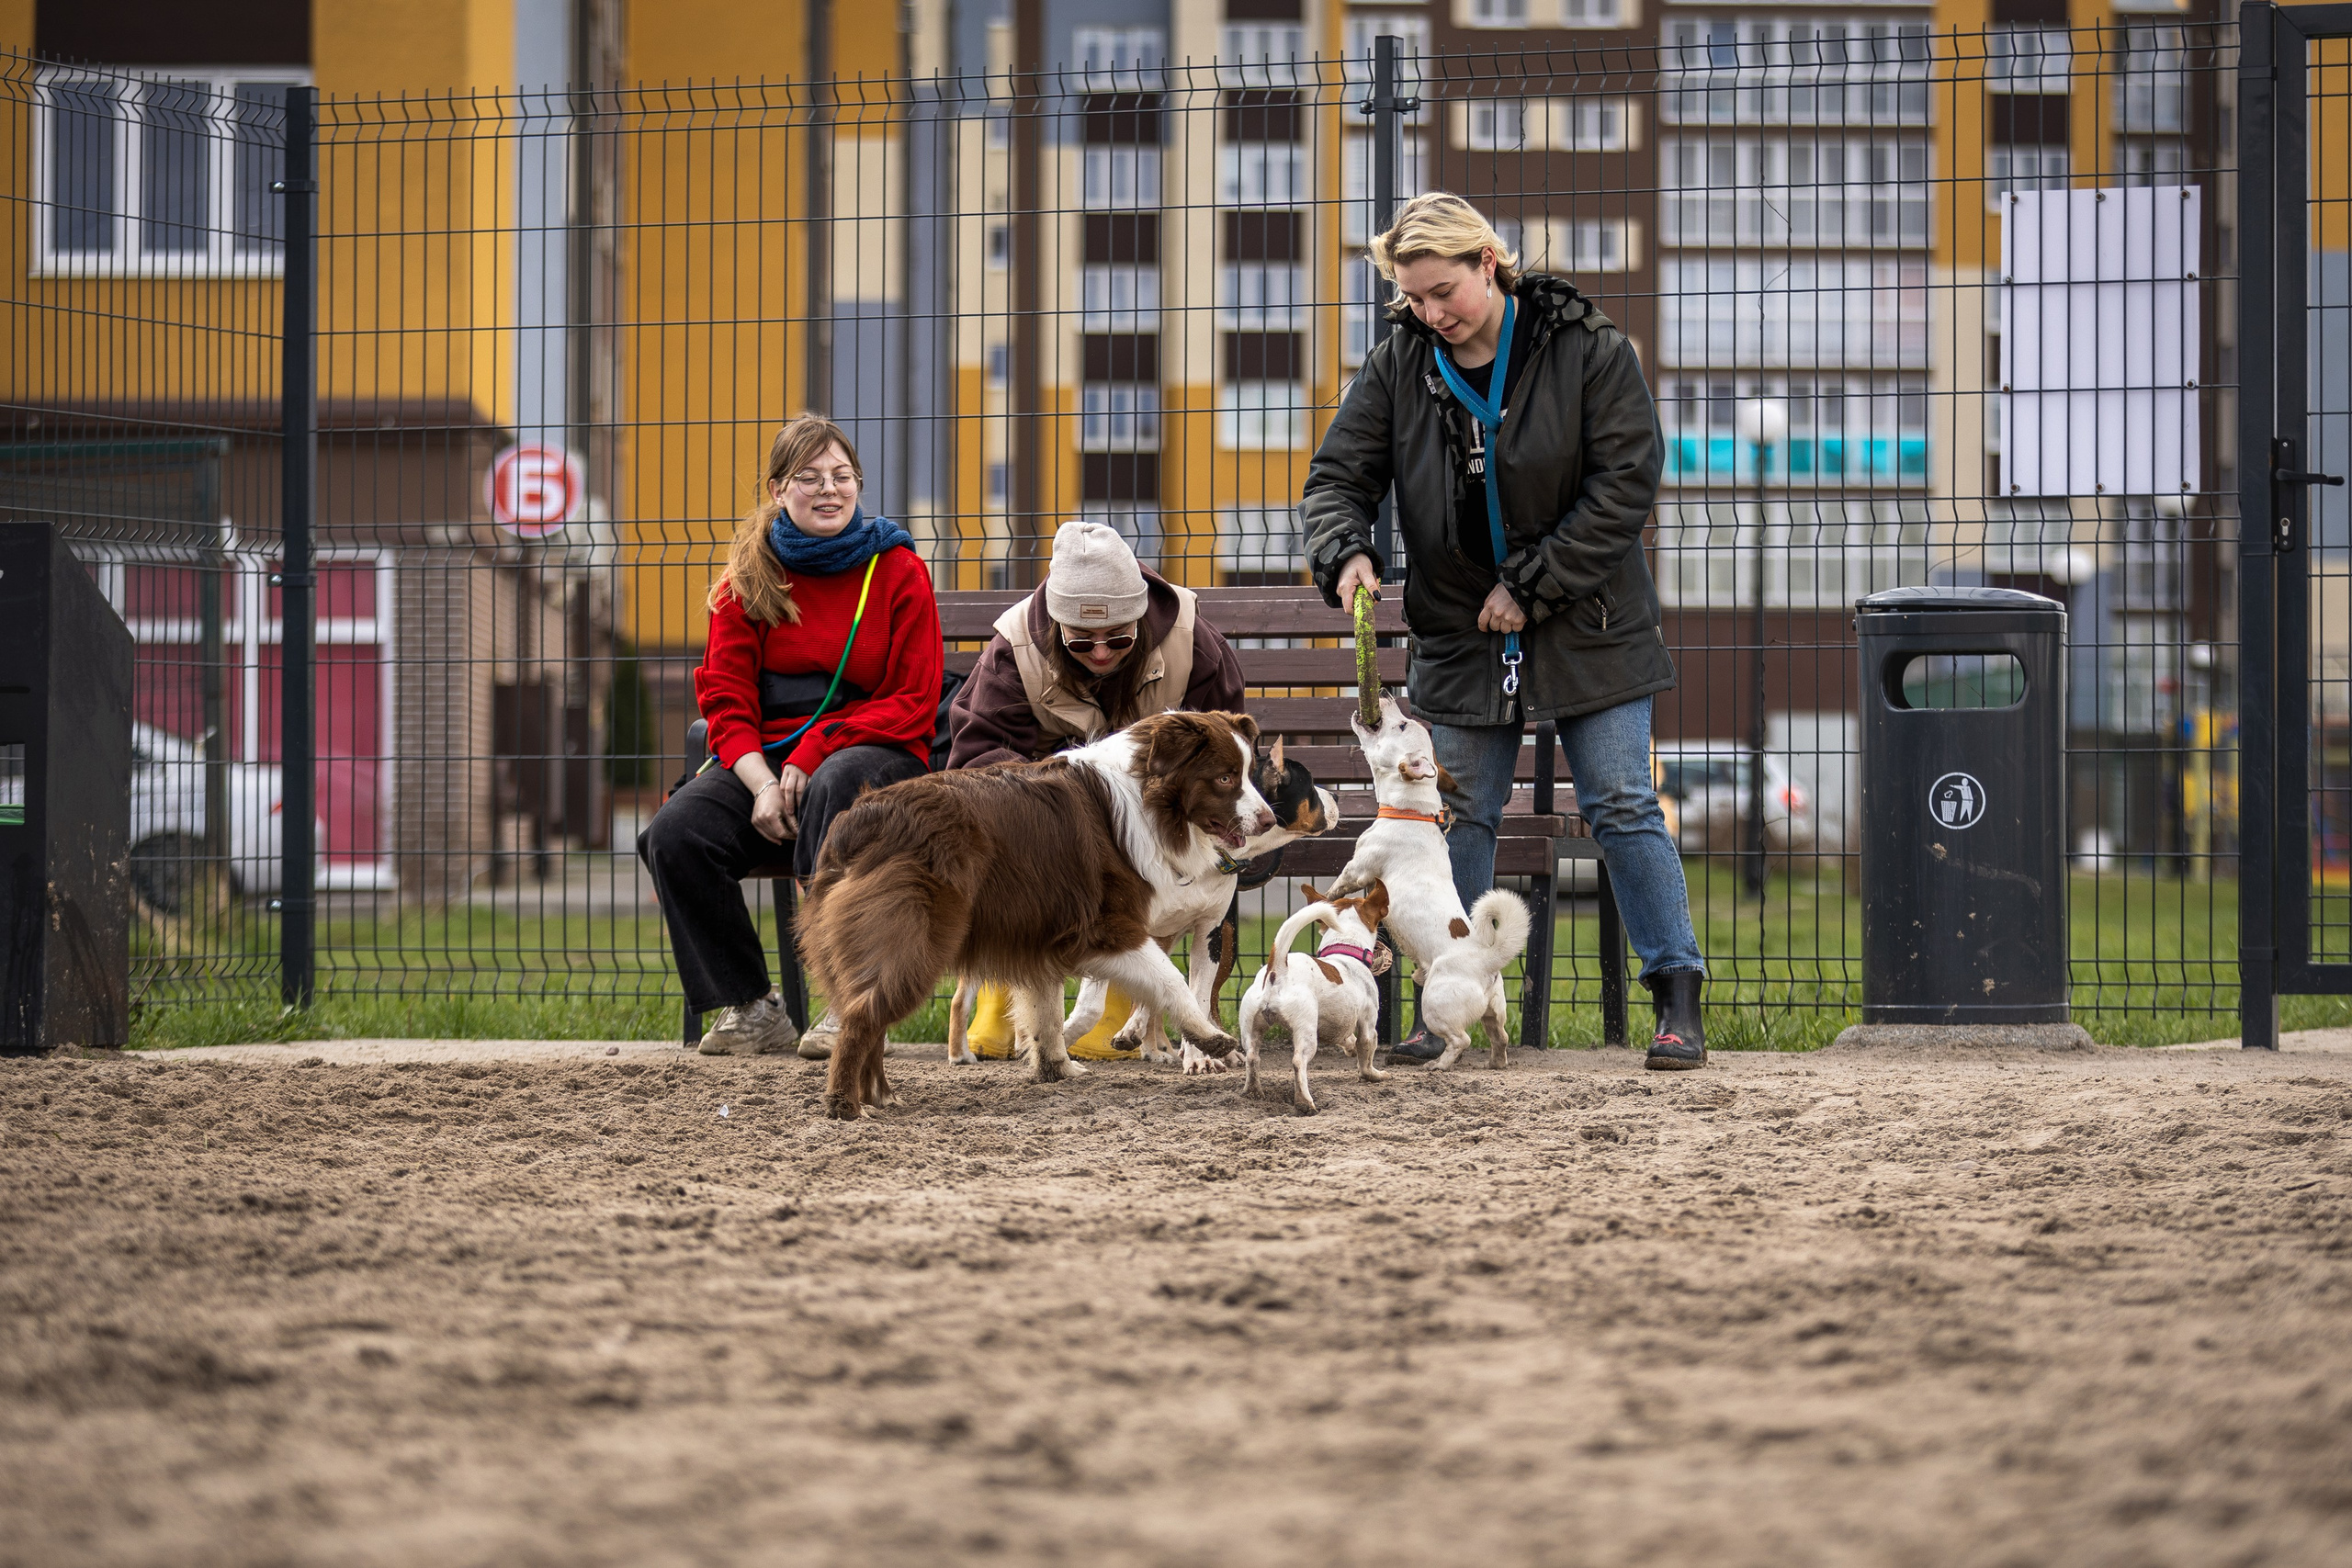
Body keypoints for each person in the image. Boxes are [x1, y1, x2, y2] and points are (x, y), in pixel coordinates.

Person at [1299, 192, 1710, 1071]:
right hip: (1459, 627)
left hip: (1589, 617)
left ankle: (1677, 995)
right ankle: (1443, 1003)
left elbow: (1626, 481)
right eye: (1413, 299)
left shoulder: (1586, 348)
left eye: (1443, 291)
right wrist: (1344, 551)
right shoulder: (1399, 364)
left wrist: (1530, 584)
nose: (1430, 314)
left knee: (1620, 801)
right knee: (1459, 817)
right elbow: (1338, 475)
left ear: (1489, 262)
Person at [639, 415, 942, 1060]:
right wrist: (762, 783)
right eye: (809, 478)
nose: (828, 490)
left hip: (878, 748)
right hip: (767, 762)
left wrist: (812, 751)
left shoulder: (897, 569)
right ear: (779, 489)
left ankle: (847, 1001)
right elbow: (725, 699)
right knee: (675, 832)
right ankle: (751, 1006)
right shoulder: (749, 576)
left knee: (835, 781)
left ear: (859, 484)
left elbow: (914, 699)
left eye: (842, 476)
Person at [946, 519, 1246, 1056]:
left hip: (1159, 832)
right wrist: (1072, 798)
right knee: (994, 1042)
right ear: (1055, 627)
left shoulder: (1190, 642)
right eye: (1081, 640)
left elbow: (1224, 753)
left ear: (1141, 619)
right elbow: (975, 762)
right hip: (1051, 841)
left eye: (1120, 638)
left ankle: (1121, 995)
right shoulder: (1014, 649)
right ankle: (1013, 987)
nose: (1102, 653)